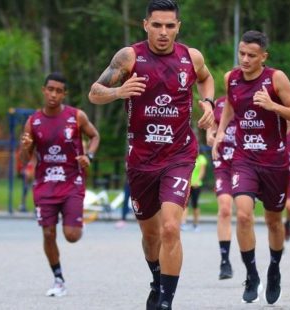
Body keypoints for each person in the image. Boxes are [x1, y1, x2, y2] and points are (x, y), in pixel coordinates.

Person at [88, 1, 214, 309]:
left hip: (180, 154)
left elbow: (207, 78)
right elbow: (94, 92)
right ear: (146, 25)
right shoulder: (129, 57)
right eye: (157, 25)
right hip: (142, 159)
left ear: (178, 27)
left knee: (171, 227)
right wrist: (119, 92)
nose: (163, 32)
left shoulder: (190, 57)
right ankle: (157, 278)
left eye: (170, 26)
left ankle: (166, 302)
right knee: (150, 234)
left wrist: (208, 103)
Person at [212, 30, 290, 305]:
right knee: (243, 214)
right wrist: (220, 133)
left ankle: (274, 269)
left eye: (252, 56)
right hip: (244, 158)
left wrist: (272, 105)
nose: (245, 60)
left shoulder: (276, 78)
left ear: (264, 57)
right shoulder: (232, 78)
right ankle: (251, 274)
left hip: (274, 161)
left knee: (274, 221)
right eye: (242, 54)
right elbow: (230, 106)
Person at [20, 72, 100, 297]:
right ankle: (58, 279)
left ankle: (75, 219)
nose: (53, 94)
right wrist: (26, 147)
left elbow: (94, 136)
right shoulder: (33, 122)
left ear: (64, 94)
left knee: (72, 236)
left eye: (58, 91)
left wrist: (89, 157)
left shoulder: (76, 116)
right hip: (45, 184)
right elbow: (25, 159)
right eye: (50, 89)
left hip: (71, 182)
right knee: (47, 233)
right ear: (44, 90)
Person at [207, 95, 237, 280]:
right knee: (225, 209)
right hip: (224, 162)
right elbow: (211, 129)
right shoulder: (219, 103)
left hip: (247, 161)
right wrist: (211, 135)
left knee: (244, 213)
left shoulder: (253, 97)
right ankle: (225, 261)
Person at [187, 149, 208, 231]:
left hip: (196, 185)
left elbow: (202, 172)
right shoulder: (189, 157)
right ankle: (183, 223)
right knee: (184, 205)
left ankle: (196, 224)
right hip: (187, 184)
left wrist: (196, 181)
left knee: (195, 204)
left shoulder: (202, 159)